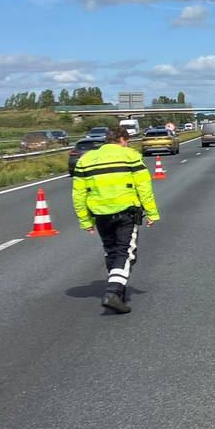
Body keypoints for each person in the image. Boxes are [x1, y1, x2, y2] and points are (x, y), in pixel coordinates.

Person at [72, 126, 160, 314]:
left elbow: (78, 194)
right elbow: (144, 186)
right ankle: (114, 291)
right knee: (125, 252)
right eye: (126, 142)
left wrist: (85, 220)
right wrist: (152, 213)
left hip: (100, 213)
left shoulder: (85, 159)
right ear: (122, 139)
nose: (127, 145)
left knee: (111, 251)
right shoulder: (130, 156)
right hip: (125, 211)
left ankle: (117, 292)